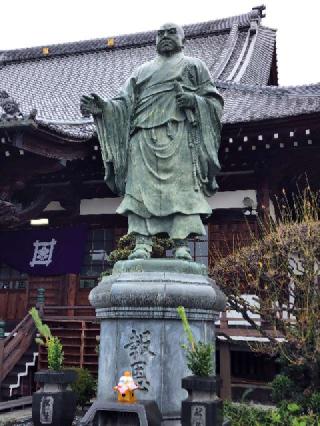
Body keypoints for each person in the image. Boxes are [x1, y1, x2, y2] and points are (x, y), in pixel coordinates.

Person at [80, 23, 223, 261]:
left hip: (178, 135)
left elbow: (214, 102)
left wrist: (193, 100)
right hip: (142, 137)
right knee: (138, 192)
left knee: (182, 191)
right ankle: (141, 243)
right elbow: (122, 103)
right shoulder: (141, 71)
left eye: (171, 33)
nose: (165, 37)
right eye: (160, 34)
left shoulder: (194, 66)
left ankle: (181, 245)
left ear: (182, 40)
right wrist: (103, 107)